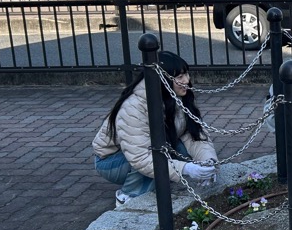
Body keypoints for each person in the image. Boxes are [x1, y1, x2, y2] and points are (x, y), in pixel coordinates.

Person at [93, 51, 218, 205]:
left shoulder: (178, 96)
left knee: (181, 151)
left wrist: (207, 162)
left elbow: (194, 135)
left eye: (186, 74)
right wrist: (186, 169)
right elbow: (140, 157)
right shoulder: (134, 107)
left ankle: (158, 181)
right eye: (179, 77)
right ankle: (128, 195)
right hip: (113, 160)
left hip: (150, 149)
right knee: (157, 155)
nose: (187, 80)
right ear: (162, 80)